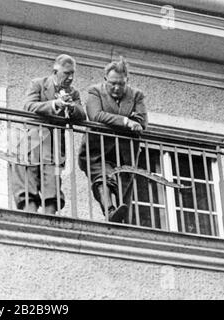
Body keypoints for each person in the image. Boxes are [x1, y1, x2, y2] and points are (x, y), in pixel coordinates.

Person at [12, 54, 86, 214]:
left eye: (72, 73)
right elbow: (28, 106)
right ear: (55, 71)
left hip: (54, 144)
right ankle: (29, 213)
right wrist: (54, 104)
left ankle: (50, 217)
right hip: (33, 139)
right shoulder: (38, 84)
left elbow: (82, 114)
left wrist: (71, 107)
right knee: (28, 177)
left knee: (52, 180)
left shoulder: (73, 92)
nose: (70, 77)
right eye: (67, 73)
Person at [78, 57, 148, 222]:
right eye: (112, 83)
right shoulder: (94, 91)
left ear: (127, 81)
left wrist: (115, 120)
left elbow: (142, 122)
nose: (116, 87)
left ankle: (120, 220)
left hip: (125, 154)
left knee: (123, 191)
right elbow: (96, 115)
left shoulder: (137, 95)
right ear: (105, 80)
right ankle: (109, 211)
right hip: (97, 150)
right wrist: (126, 121)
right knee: (103, 178)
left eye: (121, 84)